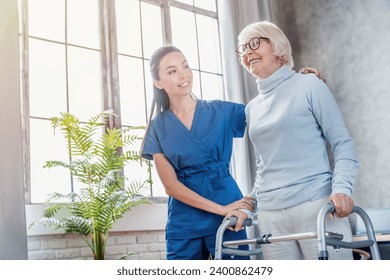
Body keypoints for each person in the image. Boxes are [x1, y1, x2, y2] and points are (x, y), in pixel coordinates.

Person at [140, 45, 323, 260]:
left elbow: (269, 111)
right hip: (185, 221)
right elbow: (171, 186)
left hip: (230, 215)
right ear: (158, 83)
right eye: (172, 71)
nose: (183, 75)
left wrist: (298, 84)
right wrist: (220, 209)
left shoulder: (222, 111)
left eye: (185, 66)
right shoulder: (157, 127)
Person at [225, 21, 359, 260]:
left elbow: (342, 143)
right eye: (242, 49)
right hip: (270, 215)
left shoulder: (309, 85)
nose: (247, 52)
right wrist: (251, 201)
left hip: (316, 207)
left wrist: (342, 189)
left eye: (254, 43)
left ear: (276, 46)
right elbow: (265, 166)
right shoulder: (252, 108)